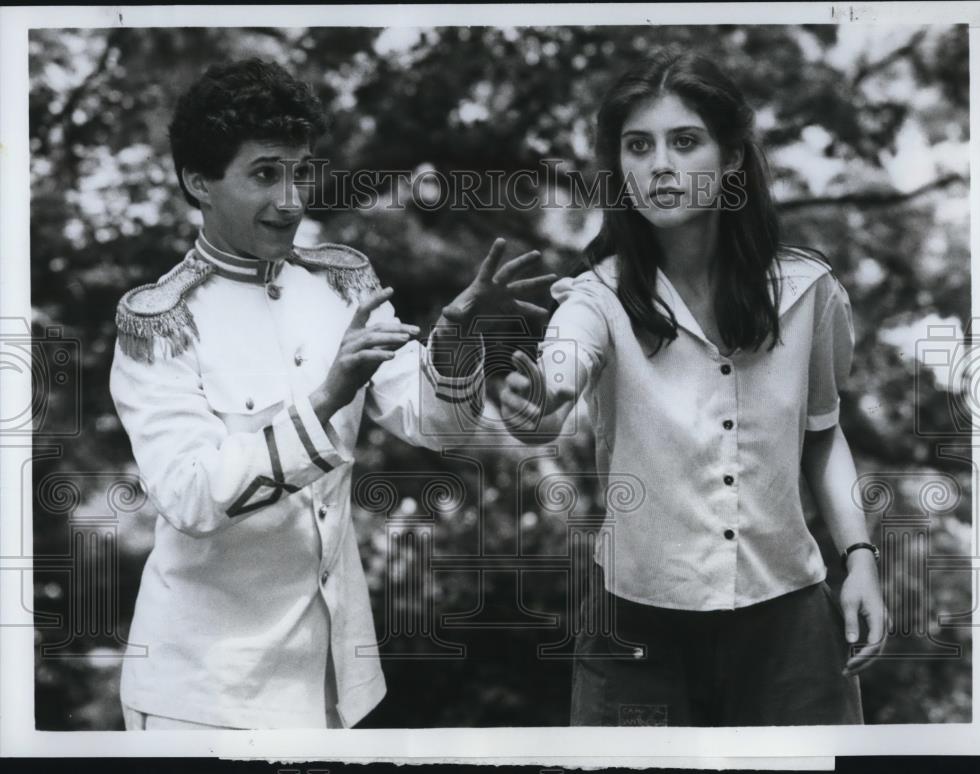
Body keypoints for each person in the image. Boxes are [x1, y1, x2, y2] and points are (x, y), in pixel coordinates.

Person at [110, 58, 553, 730]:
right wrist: (321, 402)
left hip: (336, 681)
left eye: (302, 170)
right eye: (265, 174)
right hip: (202, 696)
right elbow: (190, 496)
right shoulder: (160, 321)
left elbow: (438, 427)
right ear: (198, 182)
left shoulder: (341, 282)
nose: (292, 198)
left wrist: (456, 340)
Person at [500, 47, 887, 726]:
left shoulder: (807, 291)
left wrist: (860, 559)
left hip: (788, 620)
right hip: (634, 623)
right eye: (638, 147)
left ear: (732, 159)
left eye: (685, 142)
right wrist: (539, 404)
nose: (660, 167)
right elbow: (556, 380)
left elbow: (822, 439)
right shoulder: (595, 298)